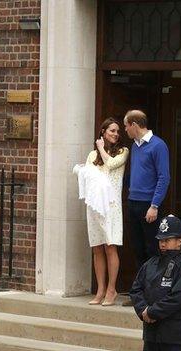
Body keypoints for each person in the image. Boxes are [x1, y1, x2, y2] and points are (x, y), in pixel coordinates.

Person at [75, 118, 129, 306]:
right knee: (97, 248)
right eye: (112, 131)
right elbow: (88, 177)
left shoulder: (123, 151)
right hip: (95, 206)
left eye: (117, 131)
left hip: (112, 206)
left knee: (110, 246)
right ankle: (100, 290)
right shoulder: (92, 155)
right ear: (103, 132)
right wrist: (97, 151)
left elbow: (112, 164)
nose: (115, 134)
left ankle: (111, 290)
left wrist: (101, 149)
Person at [129, 215, 181, 351]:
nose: (162, 243)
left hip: (175, 337)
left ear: (179, 241)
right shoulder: (150, 264)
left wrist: (152, 312)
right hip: (152, 334)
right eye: (160, 240)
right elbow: (136, 289)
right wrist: (143, 310)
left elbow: (179, 297)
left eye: (167, 240)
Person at [123, 109, 170, 270]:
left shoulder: (158, 145)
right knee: (137, 249)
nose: (125, 129)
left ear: (134, 125)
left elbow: (164, 178)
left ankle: (153, 289)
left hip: (148, 205)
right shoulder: (135, 146)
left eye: (126, 126)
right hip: (132, 202)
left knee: (152, 248)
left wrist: (154, 205)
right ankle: (141, 289)